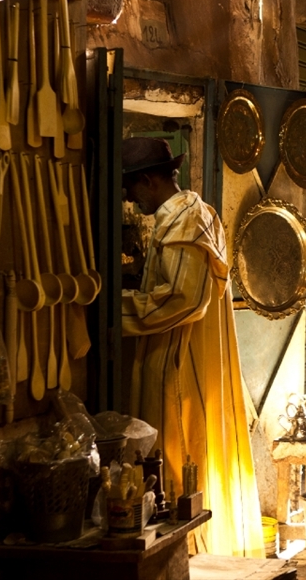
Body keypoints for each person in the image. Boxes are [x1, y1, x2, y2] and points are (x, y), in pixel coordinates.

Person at [120, 137, 263, 557]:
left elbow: (184, 298)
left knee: (181, 461)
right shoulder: (184, 217)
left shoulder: (187, 219)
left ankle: (191, 558)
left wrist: (112, 310)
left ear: (148, 181)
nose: (129, 199)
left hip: (182, 367)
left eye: (131, 188)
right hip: (173, 358)